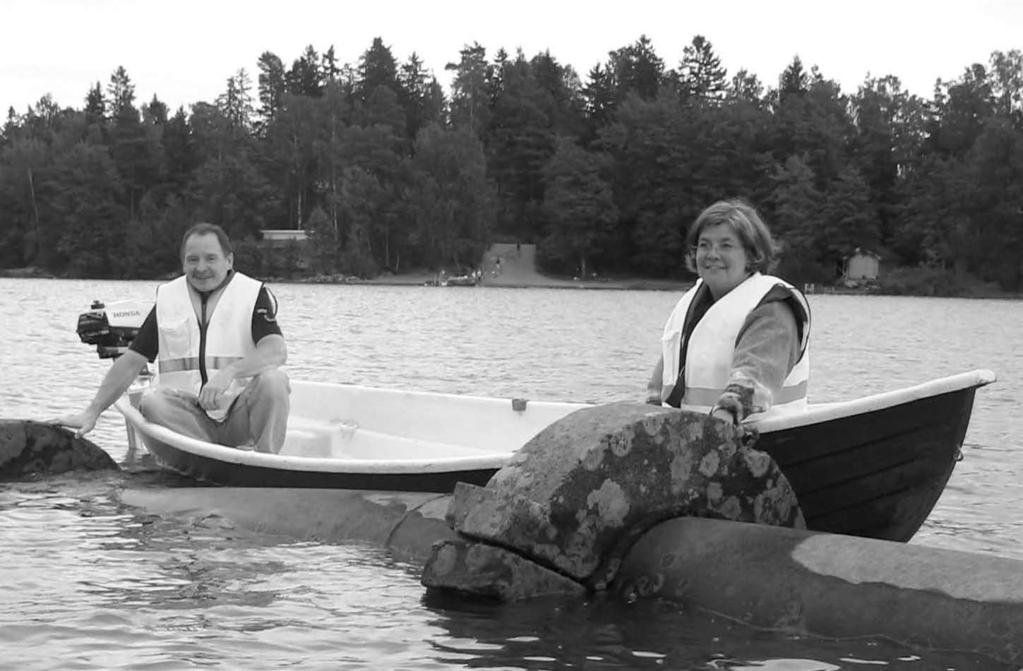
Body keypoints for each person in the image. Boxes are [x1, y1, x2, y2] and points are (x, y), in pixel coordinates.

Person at [58, 223, 290, 453]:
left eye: (211, 258)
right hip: (189, 421)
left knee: (274, 380)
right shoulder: (169, 298)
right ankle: (207, 456)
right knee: (151, 402)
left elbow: (276, 351)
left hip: (239, 415)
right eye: (192, 259)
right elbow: (131, 362)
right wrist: (92, 412)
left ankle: (265, 460)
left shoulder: (252, 295)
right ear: (183, 263)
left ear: (228, 260)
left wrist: (228, 373)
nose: (201, 267)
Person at [646, 199, 810, 425]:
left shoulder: (772, 306)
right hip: (688, 432)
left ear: (753, 256)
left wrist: (723, 419)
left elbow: (755, 373)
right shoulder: (692, 301)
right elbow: (666, 372)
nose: (712, 254)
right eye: (704, 245)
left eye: (726, 245)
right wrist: (648, 412)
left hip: (756, 433)